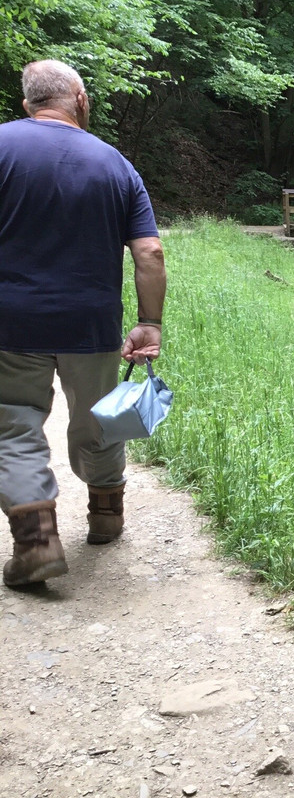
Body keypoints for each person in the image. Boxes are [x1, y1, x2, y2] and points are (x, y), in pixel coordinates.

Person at [0, 60, 166, 587]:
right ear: (80, 98)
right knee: (98, 420)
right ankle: (106, 515)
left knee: (14, 425)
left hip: (10, 322)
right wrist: (149, 322)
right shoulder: (115, 163)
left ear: (27, 104)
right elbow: (149, 252)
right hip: (91, 325)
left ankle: (36, 543)